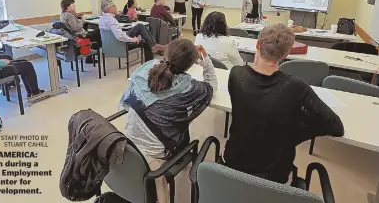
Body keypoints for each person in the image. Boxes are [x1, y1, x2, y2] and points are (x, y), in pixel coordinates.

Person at [223, 24, 344, 184]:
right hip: (274, 177)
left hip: (232, 165)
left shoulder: (237, 75)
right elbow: (336, 127)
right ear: (287, 53)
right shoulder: (296, 86)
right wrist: (294, 133)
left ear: (257, 45)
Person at [120, 39, 217, 203]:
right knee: (184, 130)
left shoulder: (145, 69)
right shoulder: (189, 88)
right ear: (190, 65)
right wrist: (205, 60)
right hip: (156, 155)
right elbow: (211, 86)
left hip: (128, 142)